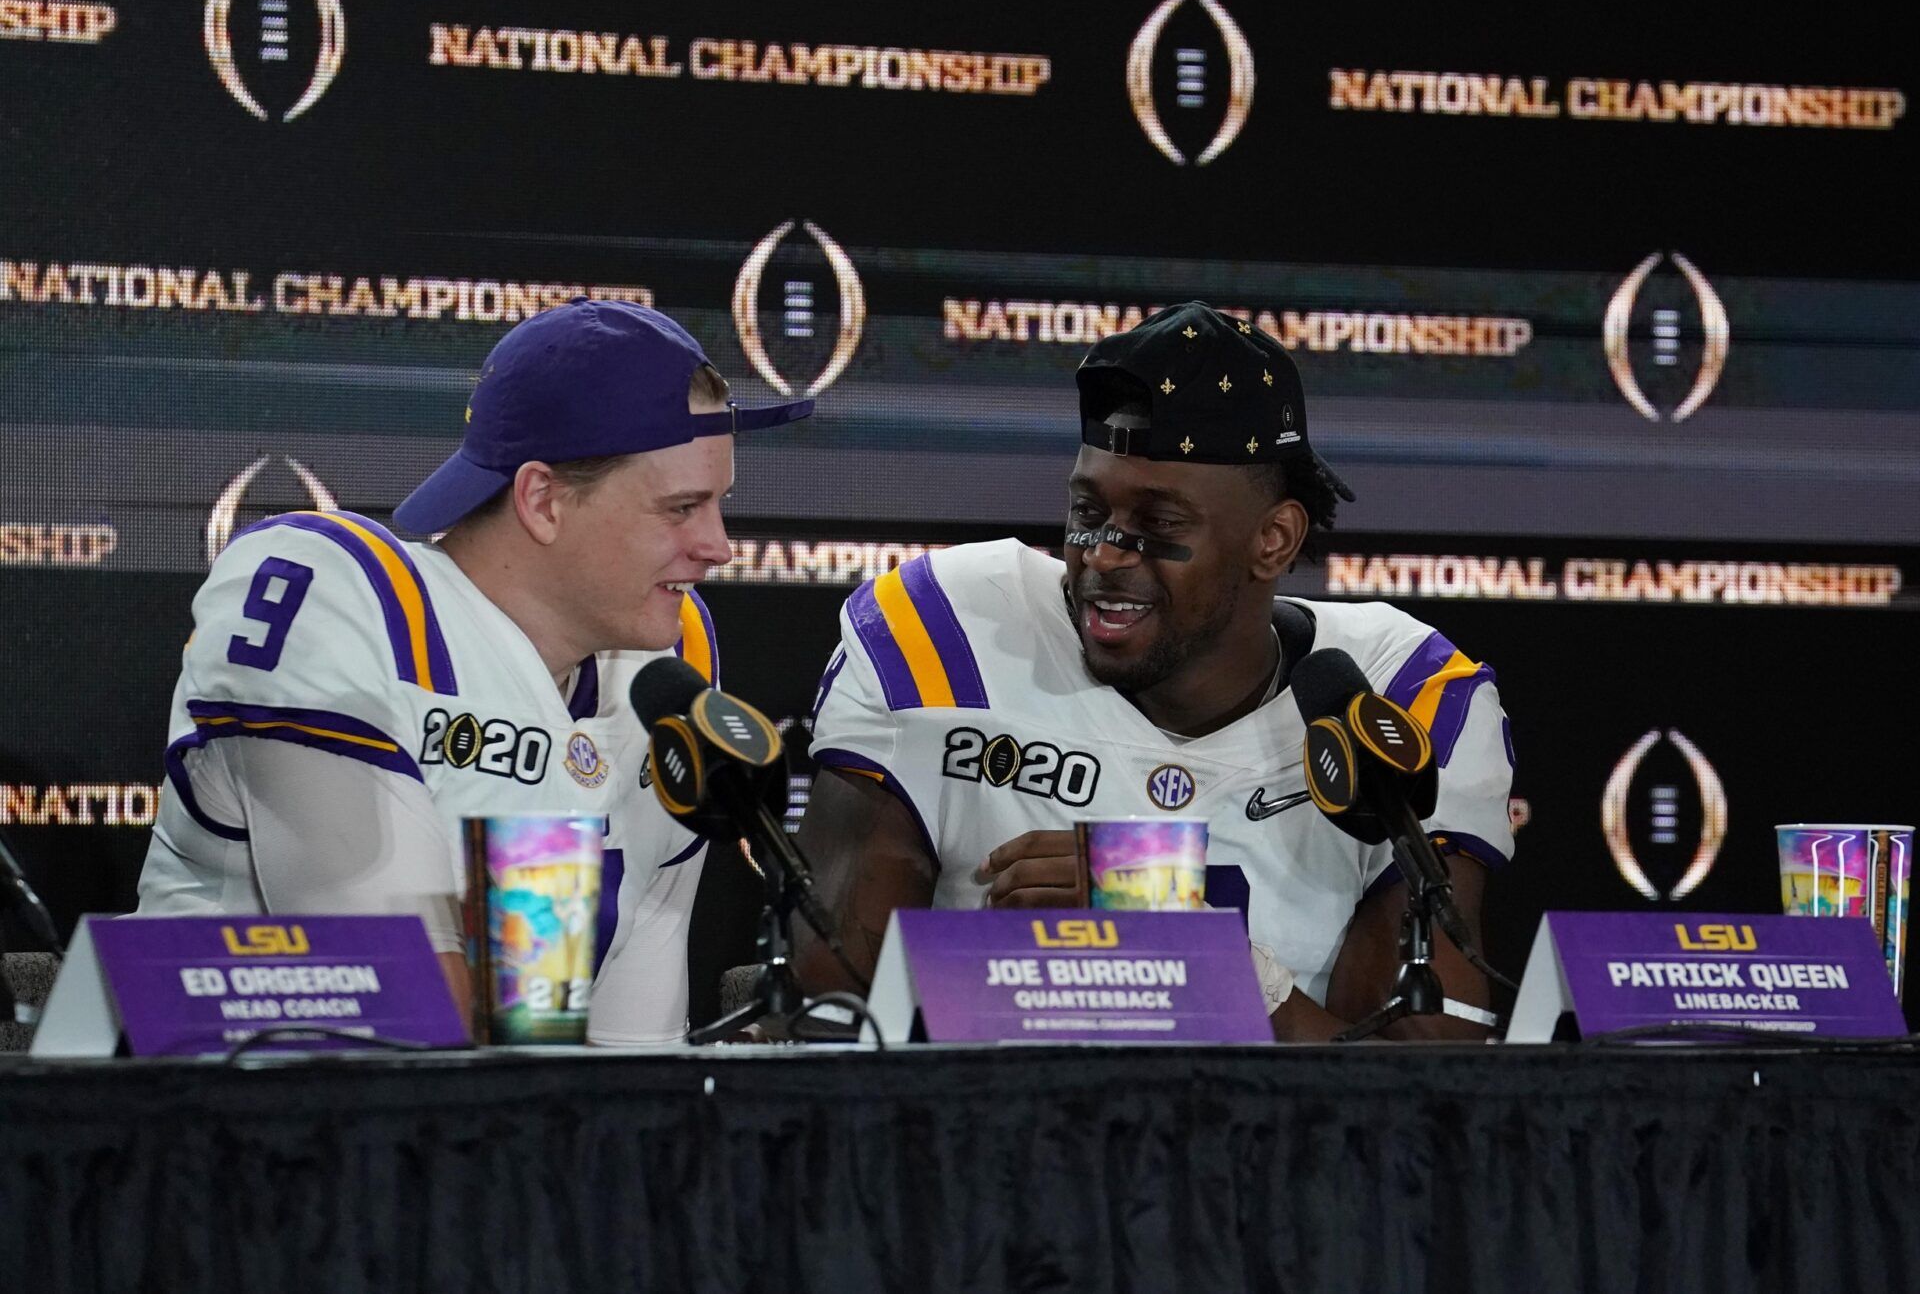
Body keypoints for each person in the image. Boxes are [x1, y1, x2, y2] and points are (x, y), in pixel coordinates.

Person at [795, 302, 1514, 1039]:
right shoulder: (941, 632)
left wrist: (1202, 952)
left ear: (1273, 538)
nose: (1104, 553)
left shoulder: (1399, 697)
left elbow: (1426, 1102)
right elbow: (833, 1026)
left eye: (1159, 525)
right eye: (1088, 508)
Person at [136, 299, 810, 1043]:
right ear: (543, 500)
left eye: (718, 503)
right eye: (681, 507)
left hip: (508, 1135)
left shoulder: (670, 660)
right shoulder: (342, 604)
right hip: (232, 1131)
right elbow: (401, 1020)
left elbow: (633, 1044)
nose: (718, 545)